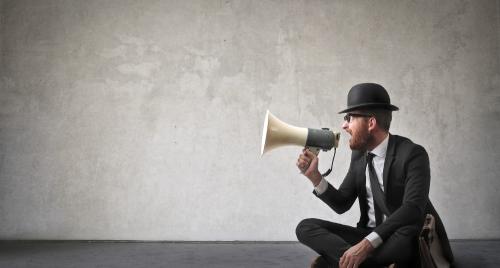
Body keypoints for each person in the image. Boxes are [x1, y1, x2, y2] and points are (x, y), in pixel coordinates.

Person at [295, 83, 454, 268]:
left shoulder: (413, 154)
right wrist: (314, 177)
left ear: (371, 123)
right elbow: (342, 203)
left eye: (350, 117)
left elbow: (413, 208)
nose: (344, 125)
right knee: (305, 227)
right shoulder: (359, 155)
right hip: (367, 233)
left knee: (407, 235)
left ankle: (343, 261)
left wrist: (365, 246)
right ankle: (367, 264)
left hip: (398, 236)